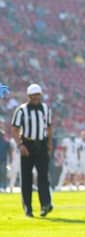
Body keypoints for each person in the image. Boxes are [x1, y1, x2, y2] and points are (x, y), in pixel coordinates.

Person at [10, 83, 53, 217]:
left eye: (38, 95)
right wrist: (20, 145)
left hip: (41, 144)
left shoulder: (46, 108)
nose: (36, 98)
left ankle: (45, 204)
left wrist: (49, 143)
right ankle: (28, 207)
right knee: (26, 177)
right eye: (33, 95)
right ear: (28, 96)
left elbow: (49, 127)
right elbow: (15, 129)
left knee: (43, 176)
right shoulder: (21, 110)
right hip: (27, 145)